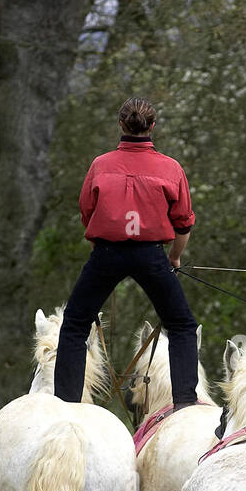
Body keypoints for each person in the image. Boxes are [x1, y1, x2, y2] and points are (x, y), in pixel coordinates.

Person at [53, 96, 199, 408]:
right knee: (181, 325)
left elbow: (87, 213)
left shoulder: (100, 165)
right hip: (151, 254)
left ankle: (66, 401)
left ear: (121, 125)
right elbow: (183, 222)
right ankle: (185, 400)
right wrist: (173, 257)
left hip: (107, 252)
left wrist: (100, 249)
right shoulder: (170, 168)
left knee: (76, 323)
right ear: (153, 126)